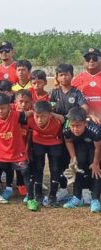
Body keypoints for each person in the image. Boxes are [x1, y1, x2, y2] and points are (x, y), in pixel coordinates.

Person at [51, 64, 90, 202]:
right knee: (60, 162)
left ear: (72, 76)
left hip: (74, 134)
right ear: (57, 77)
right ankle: (62, 189)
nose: (64, 77)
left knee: (80, 161)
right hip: (57, 134)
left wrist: (68, 117)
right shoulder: (54, 93)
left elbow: (84, 108)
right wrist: (57, 117)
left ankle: (84, 190)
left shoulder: (77, 93)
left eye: (66, 74)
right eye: (61, 75)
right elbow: (49, 111)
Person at [62, 107, 101, 212]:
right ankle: (77, 198)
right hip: (80, 144)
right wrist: (73, 158)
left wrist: (96, 163)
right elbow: (68, 141)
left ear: (85, 123)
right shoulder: (66, 128)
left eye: (78, 125)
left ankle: (96, 199)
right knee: (78, 167)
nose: (75, 129)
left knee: (96, 170)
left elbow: (98, 147)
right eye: (73, 126)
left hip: (95, 147)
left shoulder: (94, 130)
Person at [27, 100, 65, 206]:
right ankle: (38, 194)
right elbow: (18, 115)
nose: (39, 120)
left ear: (50, 115)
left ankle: (53, 195)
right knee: (38, 167)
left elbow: (63, 119)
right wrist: (30, 112)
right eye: (37, 116)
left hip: (55, 143)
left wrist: (52, 114)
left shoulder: (57, 120)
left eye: (43, 116)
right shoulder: (30, 119)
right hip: (38, 142)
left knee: (55, 168)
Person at [72, 48, 101, 118]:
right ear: (84, 62)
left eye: (95, 58)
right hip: (83, 120)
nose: (91, 61)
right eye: (88, 58)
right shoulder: (76, 80)